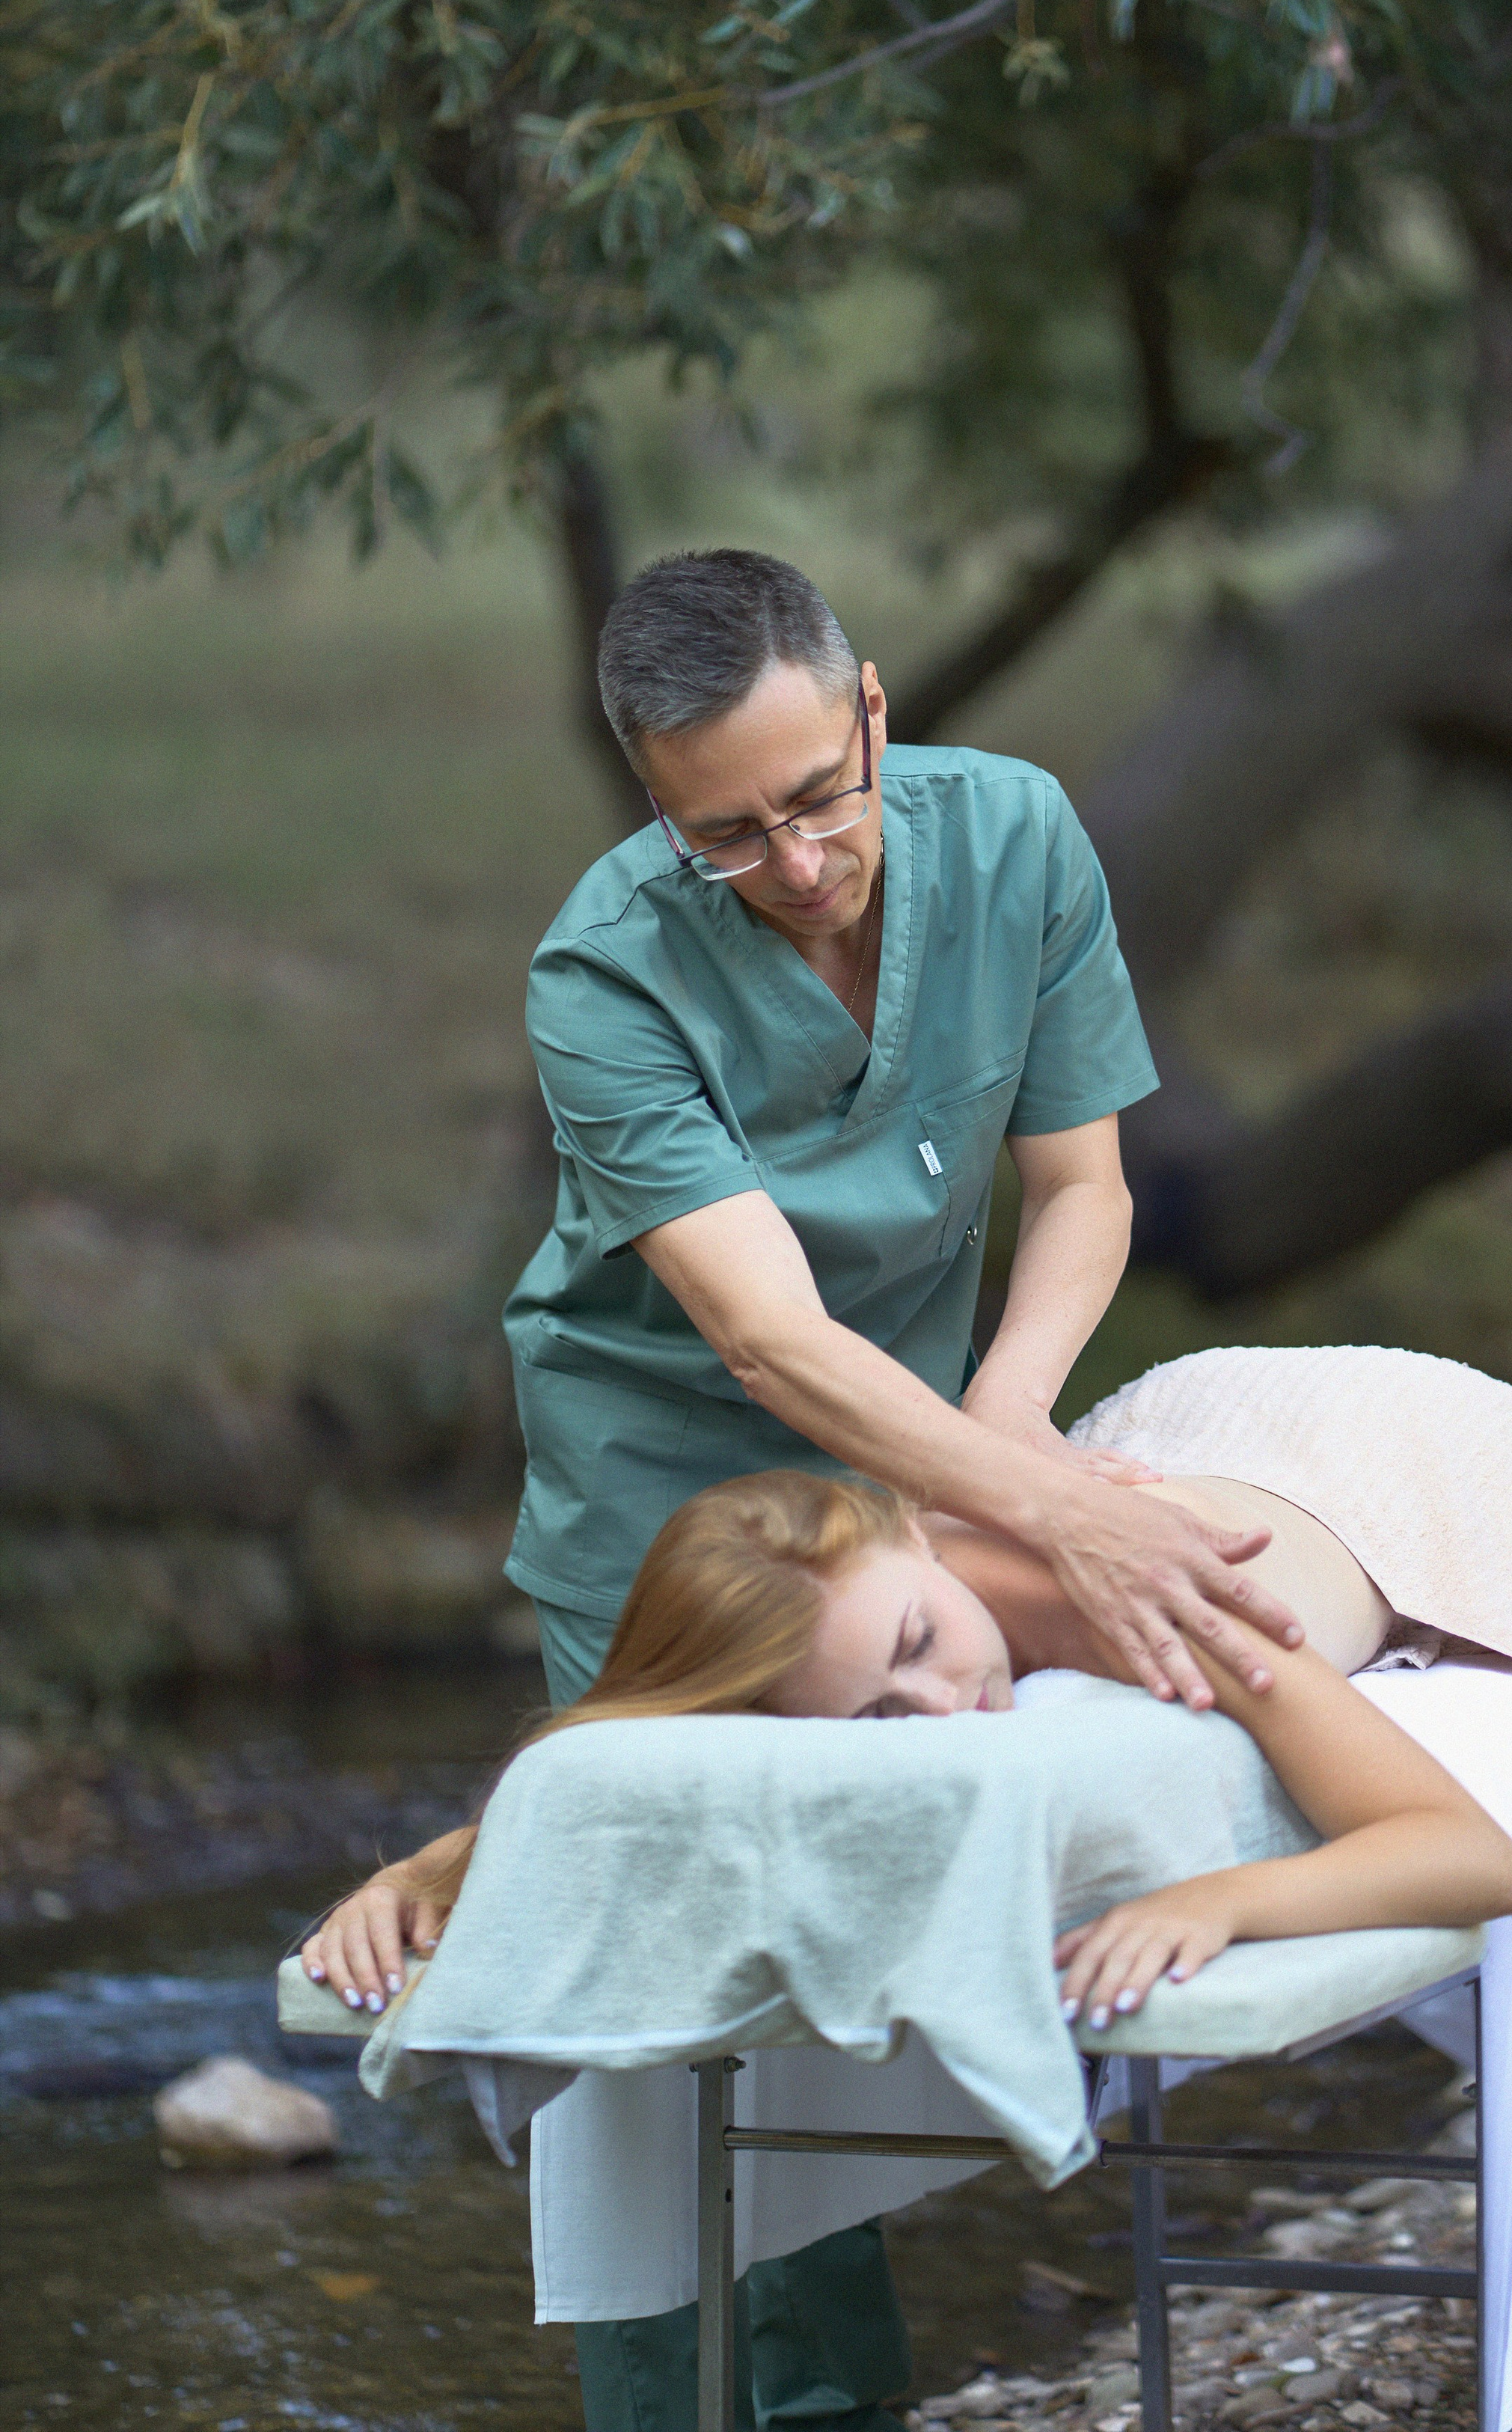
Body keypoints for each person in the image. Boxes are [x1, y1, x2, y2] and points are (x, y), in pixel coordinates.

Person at [477, 548, 1305, 2432]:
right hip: (669, 1490)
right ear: (651, 803)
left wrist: (1015, 1428)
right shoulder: (603, 974)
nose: (788, 864)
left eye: (815, 800)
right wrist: (1053, 1508)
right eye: (724, 835)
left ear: (870, 704)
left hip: (916, 1450)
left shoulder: (1013, 838)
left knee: (856, 1944)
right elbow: (766, 1348)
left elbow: (1081, 1187)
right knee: (673, 2006)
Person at [304, 1368, 1512, 2014]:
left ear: (906, 1530)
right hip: (1215, 1419)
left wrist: (1224, 1900)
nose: (950, 1714)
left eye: (924, 1645)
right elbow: (654, 1740)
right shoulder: (831, 1619)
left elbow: (1470, 1859)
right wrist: (431, 1870)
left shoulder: (1163, 1602)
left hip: (1385, 1458)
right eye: (877, 1717)